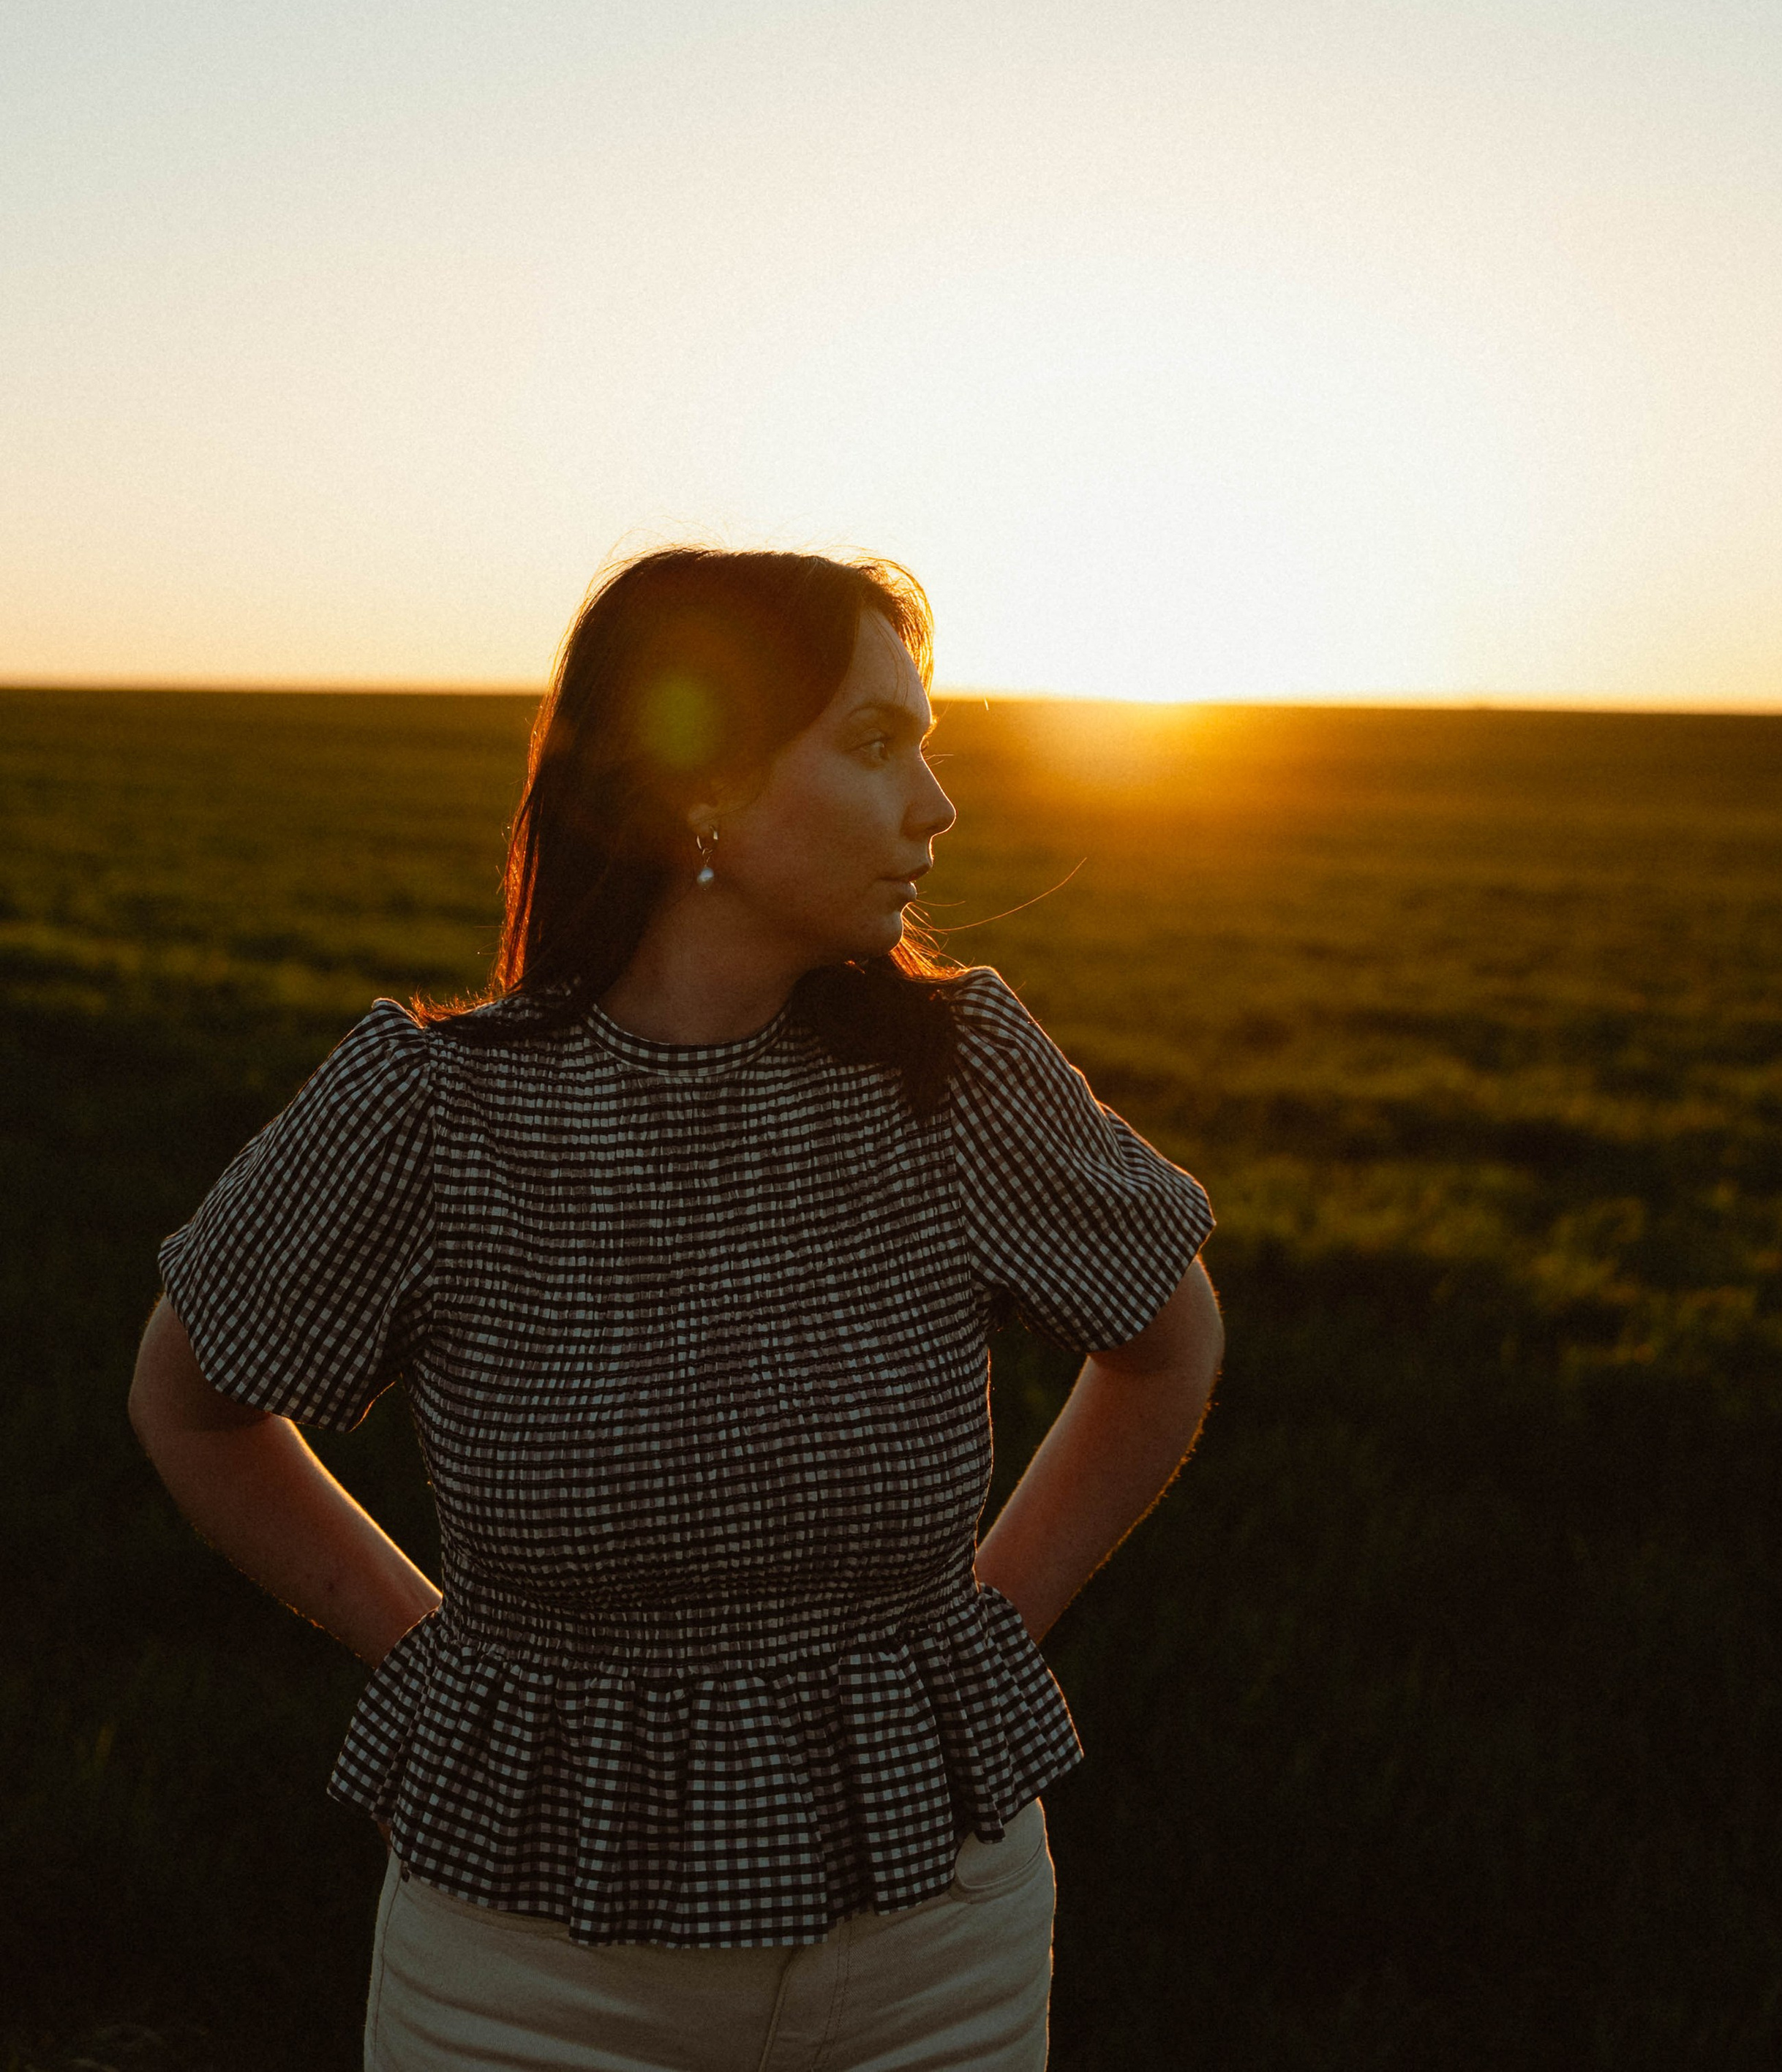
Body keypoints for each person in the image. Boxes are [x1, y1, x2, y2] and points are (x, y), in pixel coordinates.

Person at [129, 548, 1222, 2072]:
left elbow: (1167, 1340)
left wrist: (983, 1629)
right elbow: (189, 1399)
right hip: (527, 1977)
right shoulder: (433, 1112)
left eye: (927, 741)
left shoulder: (952, 1071)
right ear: (696, 790)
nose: (935, 805)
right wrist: (422, 1646)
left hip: (933, 1954)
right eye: (869, 743)